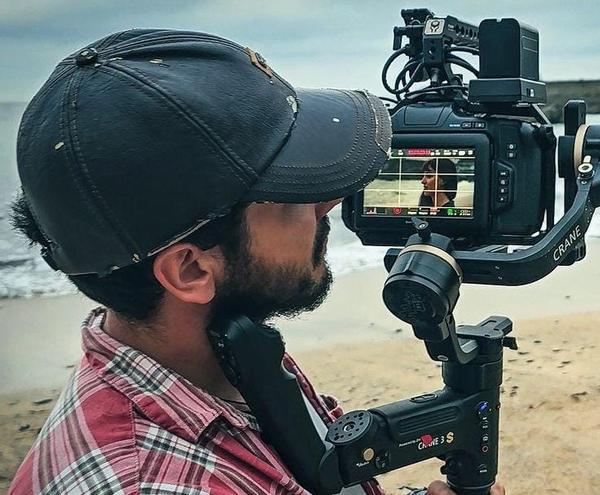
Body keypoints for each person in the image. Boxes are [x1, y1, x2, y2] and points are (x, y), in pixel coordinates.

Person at [8, 29, 503, 495]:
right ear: (191, 270)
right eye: (292, 196)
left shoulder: (226, 355)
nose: (326, 204)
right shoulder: (157, 481)